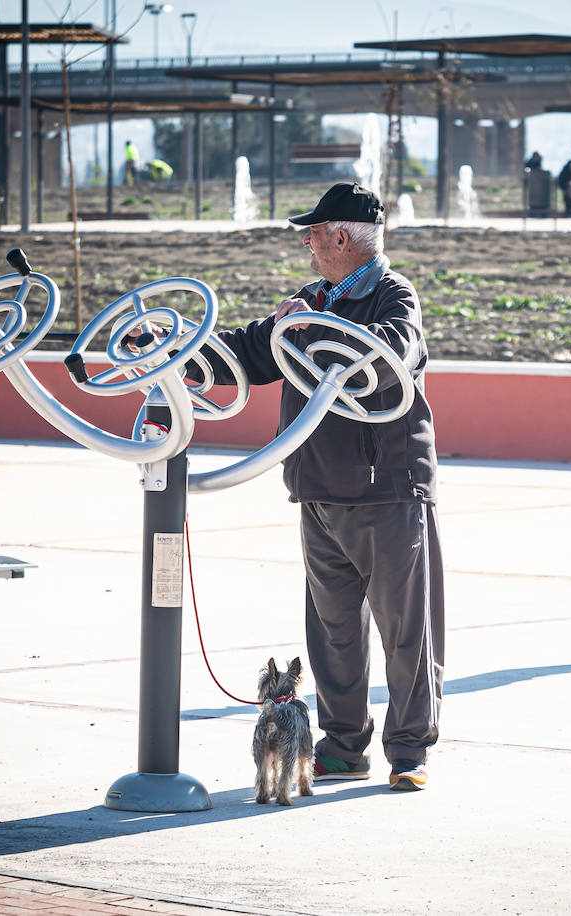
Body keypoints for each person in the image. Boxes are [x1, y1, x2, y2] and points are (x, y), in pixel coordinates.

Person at [193, 181, 444, 790]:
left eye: (313, 233)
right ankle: (343, 746)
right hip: (318, 490)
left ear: (340, 237)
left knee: (404, 630)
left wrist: (315, 326)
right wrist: (183, 351)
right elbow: (246, 353)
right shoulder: (310, 299)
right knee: (332, 633)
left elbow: (391, 357)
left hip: (387, 489)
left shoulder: (393, 297)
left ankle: (408, 753)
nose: (306, 244)